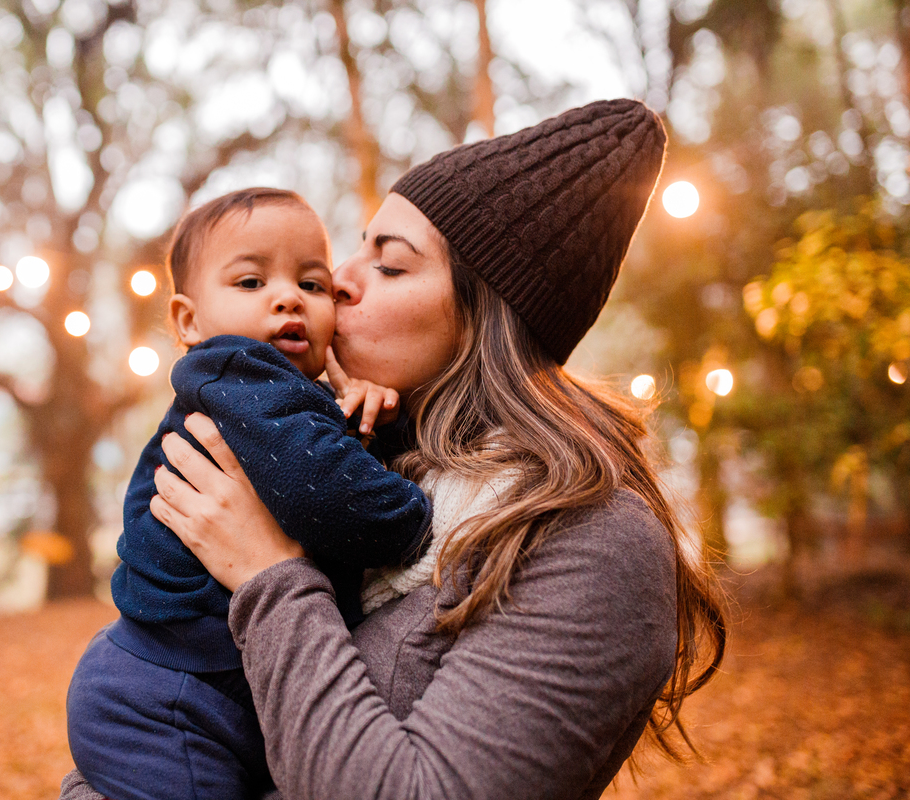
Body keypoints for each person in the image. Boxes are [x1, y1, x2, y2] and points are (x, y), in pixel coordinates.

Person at [61, 98, 727, 800]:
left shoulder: (591, 540)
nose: (338, 279)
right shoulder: (358, 451)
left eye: (391, 266)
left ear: (482, 323)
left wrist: (267, 575)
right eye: (357, 248)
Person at [66, 188, 434, 800]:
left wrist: (375, 424)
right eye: (250, 282)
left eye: (312, 285)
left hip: (203, 688)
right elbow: (328, 494)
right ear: (189, 320)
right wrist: (416, 514)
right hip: (167, 700)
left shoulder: (281, 402)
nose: (287, 296)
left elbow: (310, 463)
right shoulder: (238, 374)